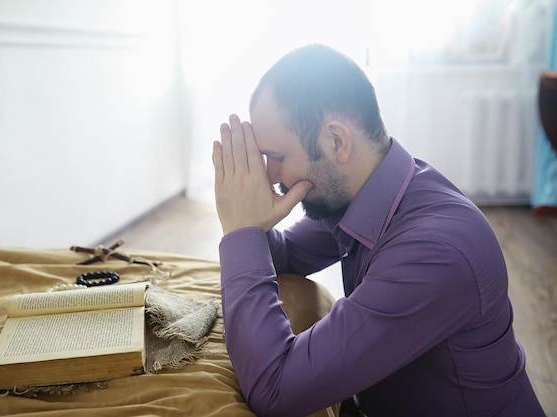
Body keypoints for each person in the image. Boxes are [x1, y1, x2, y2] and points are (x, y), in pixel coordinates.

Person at [211, 44, 546, 417]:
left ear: (337, 141)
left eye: (277, 157)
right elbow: (286, 254)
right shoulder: (370, 188)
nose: (271, 175)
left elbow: (276, 389)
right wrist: (248, 213)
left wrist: (240, 229)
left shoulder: (436, 251)